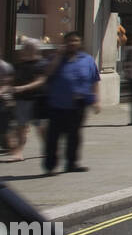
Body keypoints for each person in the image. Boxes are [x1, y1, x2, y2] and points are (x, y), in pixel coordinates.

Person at [42, 32, 100, 175]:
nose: (72, 43)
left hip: (78, 104)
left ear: (80, 43)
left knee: (74, 136)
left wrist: (96, 100)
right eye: (69, 41)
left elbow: (94, 81)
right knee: (53, 137)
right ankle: (50, 166)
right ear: (64, 43)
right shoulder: (55, 59)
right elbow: (47, 74)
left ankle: (72, 163)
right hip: (57, 104)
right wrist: (57, 57)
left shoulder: (87, 60)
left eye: (75, 41)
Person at [9, 41, 48, 162]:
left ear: (35, 50)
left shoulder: (42, 64)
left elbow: (40, 81)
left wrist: (23, 88)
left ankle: (48, 148)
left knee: (40, 127)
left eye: (28, 48)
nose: (24, 50)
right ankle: (19, 152)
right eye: (24, 48)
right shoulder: (19, 65)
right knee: (21, 126)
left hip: (37, 99)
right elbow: (11, 80)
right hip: (21, 100)